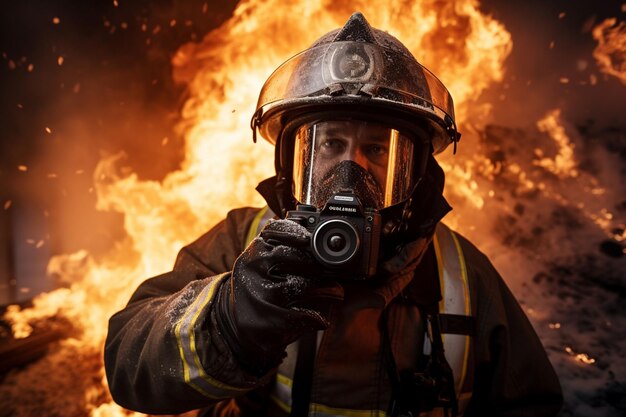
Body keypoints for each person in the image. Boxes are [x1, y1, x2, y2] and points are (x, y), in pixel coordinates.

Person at [104, 12, 563, 417]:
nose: (352, 170)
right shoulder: (243, 242)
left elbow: (529, 404)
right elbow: (127, 366)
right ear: (290, 161)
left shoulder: (461, 276)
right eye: (329, 144)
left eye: (378, 149)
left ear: (417, 172)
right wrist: (230, 318)